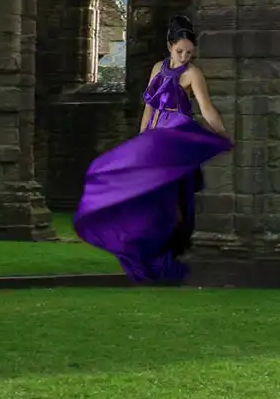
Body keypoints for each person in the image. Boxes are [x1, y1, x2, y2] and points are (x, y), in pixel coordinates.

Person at [73, 15, 232, 282]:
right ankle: (144, 249)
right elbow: (149, 106)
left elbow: (205, 108)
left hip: (175, 138)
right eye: (180, 51)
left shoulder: (193, 74)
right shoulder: (158, 68)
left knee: (169, 201)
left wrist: (222, 133)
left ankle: (169, 254)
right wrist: (140, 139)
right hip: (154, 138)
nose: (183, 57)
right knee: (142, 194)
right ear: (170, 46)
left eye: (189, 53)